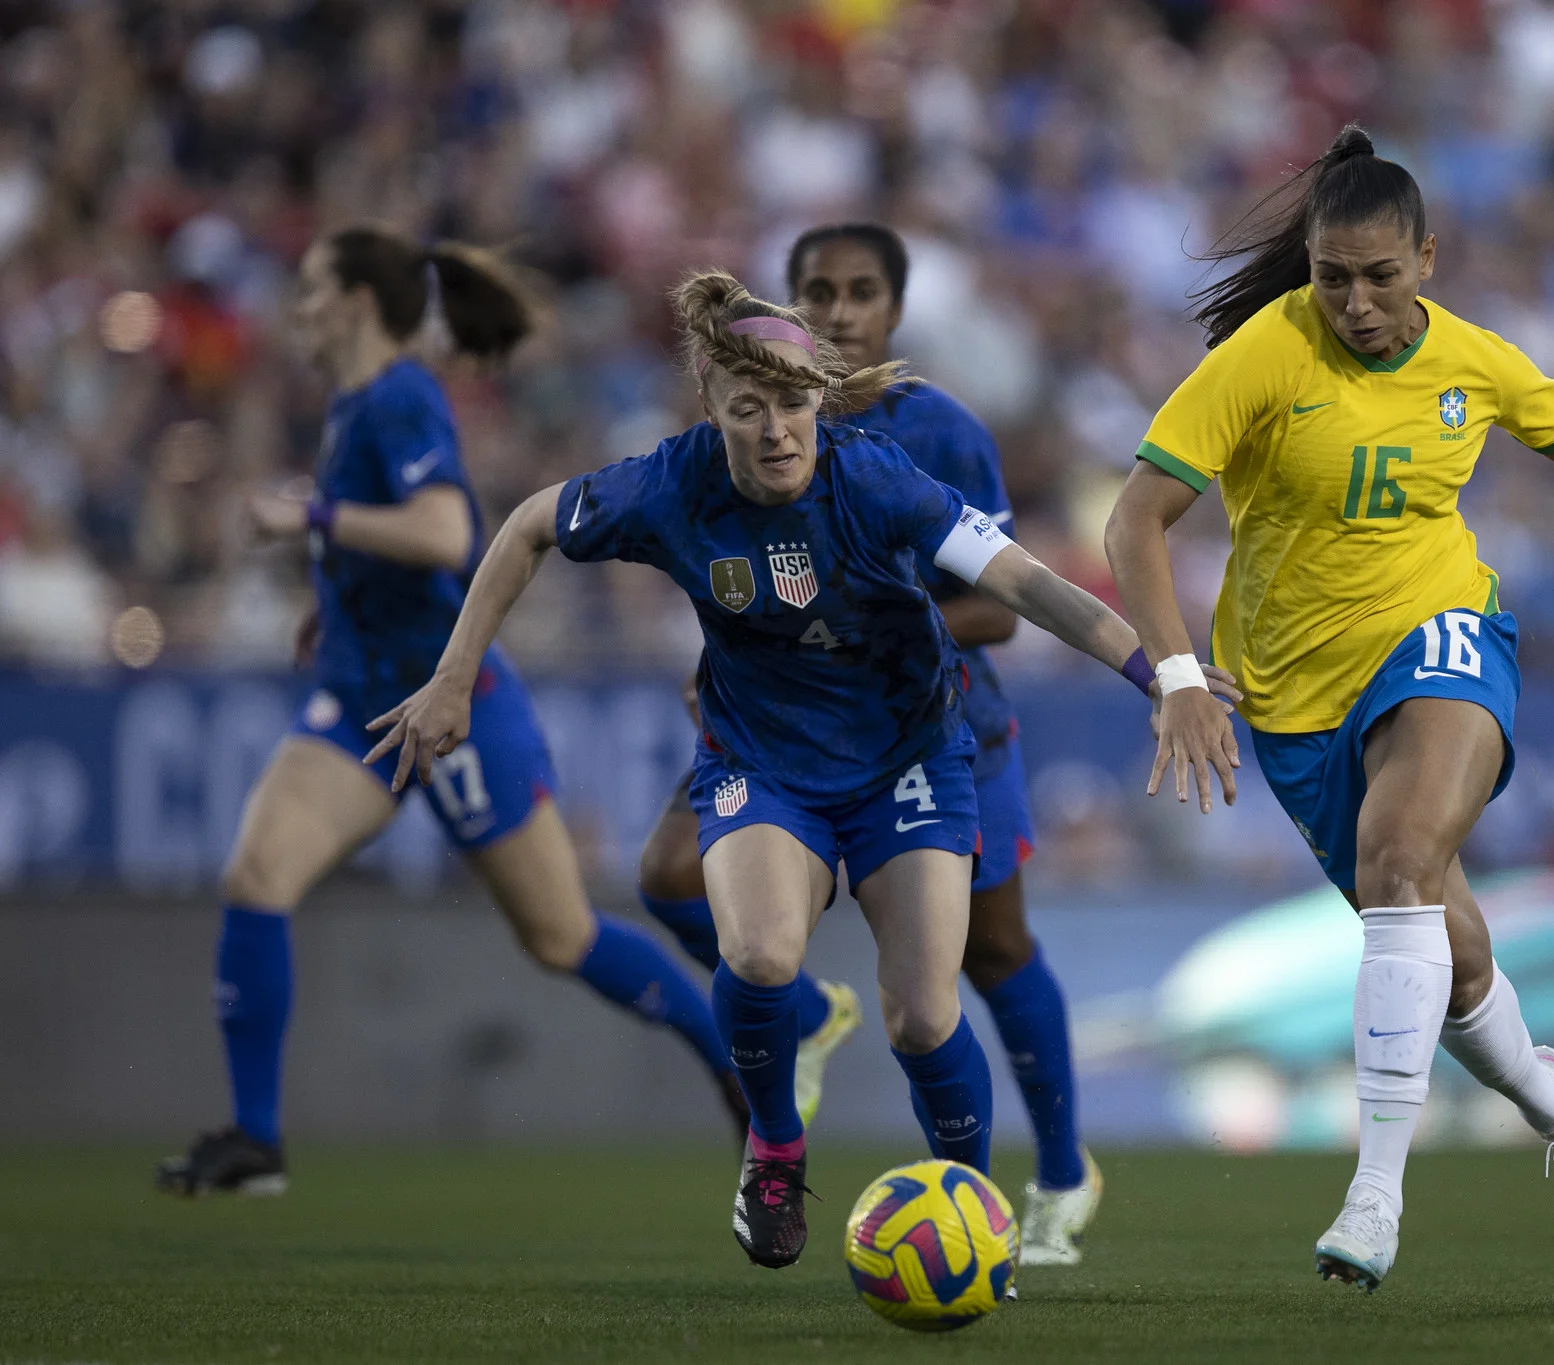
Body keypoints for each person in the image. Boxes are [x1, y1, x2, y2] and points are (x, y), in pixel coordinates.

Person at [366, 270, 1227, 1271]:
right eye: (747, 409)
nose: (775, 430)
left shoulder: (874, 480)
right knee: (763, 956)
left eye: (791, 403)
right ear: (710, 409)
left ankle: (968, 1206)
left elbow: (1031, 588)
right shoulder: (666, 484)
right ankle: (774, 1144)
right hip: (763, 761)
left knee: (921, 1013)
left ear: (820, 396)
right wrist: (452, 677)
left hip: (907, 755)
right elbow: (522, 528)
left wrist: (1160, 675)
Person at [1104, 125, 1554, 1291]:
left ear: (1427, 258)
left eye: (1380, 276)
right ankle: (1548, 1096)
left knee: (1400, 854)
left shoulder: (1474, 363)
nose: (1357, 303)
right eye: (1333, 278)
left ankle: (1372, 1194)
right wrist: (1177, 675)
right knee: (1453, 952)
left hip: (1441, 636)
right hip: (1287, 696)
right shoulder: (1261, 360)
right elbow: (1133, 521)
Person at [155, 226, 743, 1198]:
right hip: (358, 701)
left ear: (352, 303)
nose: (295, 308)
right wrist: (333, 599)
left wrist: (310, 519)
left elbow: (444, 534)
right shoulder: (354, 405)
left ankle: (733, 1063)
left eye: (310, 287)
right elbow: (395, 546)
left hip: (450, 700)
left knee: (561, 937)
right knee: (257, 878)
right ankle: (255, 1140)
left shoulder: (397, 397)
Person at [634, 223, 1101, 1266]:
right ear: (788, 308)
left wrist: (846, 624)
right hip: (777, 720)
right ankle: (798, 1014)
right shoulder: (744, 427)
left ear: (892, 311)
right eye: (817, 292)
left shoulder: (937, 433)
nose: (838, 312)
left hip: (932, 722)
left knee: (985, 954)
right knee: (668, 876)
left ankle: (1062, 1175)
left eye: (858, 293)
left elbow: (1000, 607)